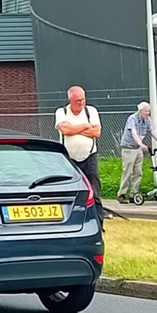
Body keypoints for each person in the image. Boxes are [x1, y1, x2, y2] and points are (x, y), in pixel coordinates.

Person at [56, 86, 103, 221]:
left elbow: (96, 132)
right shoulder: (62, 112)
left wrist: (74, 129)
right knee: (70, 190)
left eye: (83, 99)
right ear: (70, 100)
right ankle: (71, 220)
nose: (81, 103)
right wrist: (86, 126)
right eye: (77, 101)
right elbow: (65, 130)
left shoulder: (91, 111)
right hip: (69, 158)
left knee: (94, 191)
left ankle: (98, 222)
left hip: (89, 157)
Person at [118, 102, 154, 203]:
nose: (148, 113)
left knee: (138, 172)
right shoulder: (132, 118)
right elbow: (133, 132)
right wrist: (140, 144)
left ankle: (134, 194)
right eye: (146, 111)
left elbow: (152, 131)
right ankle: (122, 194)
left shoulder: (147, 120)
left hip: (138, 148)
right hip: (129, 148)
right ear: (140, 111)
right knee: (128, 171)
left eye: (149, 111)